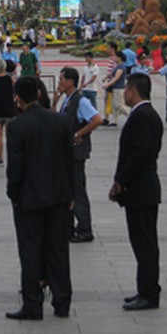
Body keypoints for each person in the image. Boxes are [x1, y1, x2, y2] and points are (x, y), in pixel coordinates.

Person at [5, 76, 75, 320]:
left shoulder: (16, 126)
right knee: (58, 249)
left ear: (18, 97)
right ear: (38, 93)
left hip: (29, 199)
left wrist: (13, 194)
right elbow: (70, 161)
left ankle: (33, 304)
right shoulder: (60, 121)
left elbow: (16, 168)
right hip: (58, 196)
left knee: (30, 251)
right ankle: (62, 302)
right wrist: (71, 194)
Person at [110, 73, 164, 310]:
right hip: (144, 188)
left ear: (134, 91)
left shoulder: (141, 116)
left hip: (141, 190)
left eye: (127, 89)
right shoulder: (147, 114)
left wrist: (120, 181)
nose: (124, 93)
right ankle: (145, 289)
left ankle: (150, 293)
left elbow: (139, 153)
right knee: (144, 243)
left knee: (145, 244)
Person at [57, 67, 103, 243]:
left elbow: (97, 119)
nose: (59, 82)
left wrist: (79, 133)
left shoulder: (80, 100)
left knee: (77, 191)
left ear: (70, 82)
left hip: (76, 154)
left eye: (61, 79)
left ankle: (85, 228)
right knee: (69, 190)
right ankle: (70, 227)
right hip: (68, 153)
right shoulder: (68, 99)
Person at [102, 45, 129, 128]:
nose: (114, 58)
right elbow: (112, 73)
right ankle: (115, 121)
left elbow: (116, 78)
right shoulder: (118, 66)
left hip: (119, 88)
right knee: (114, 105)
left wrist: (107, 84)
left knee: (119, 105)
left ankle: (131, 115)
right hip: (115, 88)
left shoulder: (121, 66)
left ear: (120, 58)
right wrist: (105, 78)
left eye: (116, 57)